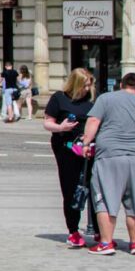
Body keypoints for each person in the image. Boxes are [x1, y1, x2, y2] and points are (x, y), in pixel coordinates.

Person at [81, 72, 135, 257]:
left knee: (107, 200)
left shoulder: (106, 99)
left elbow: (93, 120)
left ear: (121, 84)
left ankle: (106, 243)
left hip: (110, 156)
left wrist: (86, 143)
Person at [42, 68, 95, 249]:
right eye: (85, 85)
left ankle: (97, 228)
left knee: (92, 186)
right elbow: (47, 122)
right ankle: (73, 230)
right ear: (75, 84)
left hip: (87, 148)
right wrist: (61, 127)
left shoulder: (90, 102)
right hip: (66, 148)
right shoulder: (59, 98)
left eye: (89, 85)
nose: (87, 89)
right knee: (70, 187)